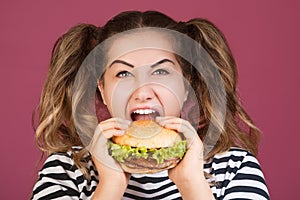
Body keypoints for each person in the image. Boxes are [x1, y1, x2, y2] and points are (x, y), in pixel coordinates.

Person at [31, 11, 270, 200]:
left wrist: (191, 184)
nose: (142, 91)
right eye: (123, 74)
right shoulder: (66, 171)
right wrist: (110, 185)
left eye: (161, 71)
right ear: (102, 90)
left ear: (186, 87)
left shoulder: (235, 169)